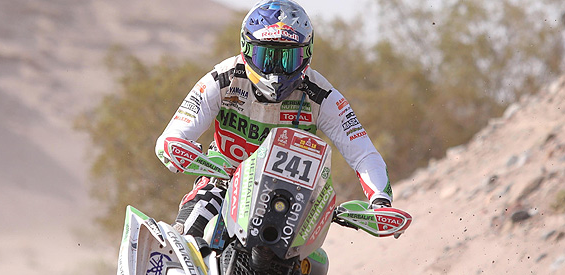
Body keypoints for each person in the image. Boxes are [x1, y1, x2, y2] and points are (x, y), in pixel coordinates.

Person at [156, 0, 393, 237]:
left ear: (306, 54)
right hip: (223, 182)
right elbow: (173, 135)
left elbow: (363, 153)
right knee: (186, 234)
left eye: (288, 59)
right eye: (266, 57)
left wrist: (380, 200)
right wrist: (176, 148)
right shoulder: (223, 79)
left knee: (310, 257)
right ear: (247, 49)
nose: (276, 72)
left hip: (290, 199)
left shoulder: (322, 95)